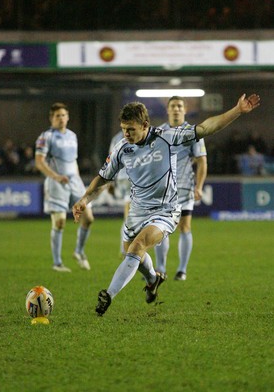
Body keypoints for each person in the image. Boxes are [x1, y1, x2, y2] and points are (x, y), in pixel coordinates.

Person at [72, 93, 260, 316]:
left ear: (145, 125)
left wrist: (237, 110)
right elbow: (103, 178)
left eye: (131, 129)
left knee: (137, 247)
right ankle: (152, 279)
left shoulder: (167, 137)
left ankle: (108, 296)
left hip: (165, 211)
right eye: (123, 128)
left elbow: (205, 128)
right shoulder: (123, 149)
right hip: (136, 212)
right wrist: (84, 199)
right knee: (132, 253)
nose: (126, 134)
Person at [154, 96, 207, 281]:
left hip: (185, 188)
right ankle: (161, 269)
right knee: (161, 229)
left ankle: (182, 270)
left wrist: (199, 187)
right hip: (163, 191)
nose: (176, 109)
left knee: (185, 227)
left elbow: (202, 161)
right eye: (173, 106)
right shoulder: (159, 132)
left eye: (179, 106)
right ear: (167, 110)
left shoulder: (192, 132)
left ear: (185, 110)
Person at [35, 102, 94, 272]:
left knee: (88, 218)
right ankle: (57, 263)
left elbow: (72, 161)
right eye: (57, 116)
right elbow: (39, 162)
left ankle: (79, 252)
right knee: (60, 222)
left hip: (74, 181)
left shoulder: (72, 136)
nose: (61, 118)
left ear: (68, 117)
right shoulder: (45, 137)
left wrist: (78, 180)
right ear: (51, 118)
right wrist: (56, 176)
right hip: (56, 183)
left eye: (63, 115)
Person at [108, 130, 131, 258]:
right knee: (130, 217)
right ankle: (125, 248)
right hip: (130, 178)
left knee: (130, 216)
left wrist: (111, 181)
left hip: (122, 178)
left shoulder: (116, 138)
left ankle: (126, 247)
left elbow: (112, 160)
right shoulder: (137, 134)